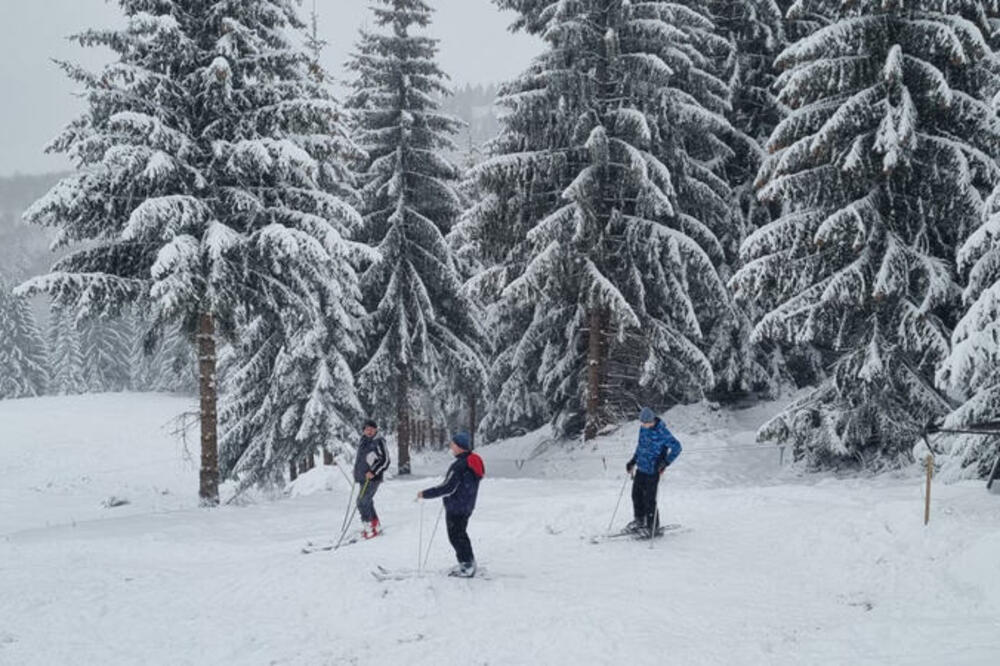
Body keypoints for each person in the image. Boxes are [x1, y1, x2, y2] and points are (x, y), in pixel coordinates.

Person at [417, 432, 485, 577]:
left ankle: (467, 565)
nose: (451, 446)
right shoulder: (472, 461)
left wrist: (425, 493)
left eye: (453, 444)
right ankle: (468, 562)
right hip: (466, 506)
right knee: (460, 534)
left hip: (457, 507)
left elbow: (448, 487)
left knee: (456, 536)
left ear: (460, 446)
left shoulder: (460, 465)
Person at [625, 406, 682, 536]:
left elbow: (677, 448)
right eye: (642, 423)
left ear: (652, 420)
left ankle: (652, 527)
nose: (644, 425)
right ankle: (640, 520)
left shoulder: (662, 432)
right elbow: (640, 447)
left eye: (646, 423)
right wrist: (633, 461)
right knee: (636, 495)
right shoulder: (643, 429)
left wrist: (665, 463)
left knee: (649, 500)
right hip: (641, 468)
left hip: (653, 470)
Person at [353, 419, 390, 539]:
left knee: (361, 501)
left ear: (375, 429)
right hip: (363, 477)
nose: (368, 431)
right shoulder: (364, 440)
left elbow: (385, 460)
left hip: (373, 478)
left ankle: (368, 527)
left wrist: (373, 472)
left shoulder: (378, 441)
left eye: (371, 429)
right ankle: (375, 525)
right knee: (367, 501)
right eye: (366, 429)